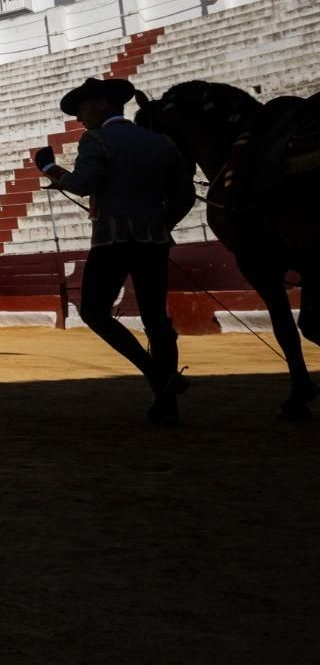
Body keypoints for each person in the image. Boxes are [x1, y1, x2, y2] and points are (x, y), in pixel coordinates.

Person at [36, 77, 196, 425]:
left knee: (94, 311)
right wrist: (160, 223)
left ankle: (156, 374)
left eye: (82, 109)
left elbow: (81, 185)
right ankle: (166, 405)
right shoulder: (160, 142)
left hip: (112, 241)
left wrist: (49, 167)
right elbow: (184, 196)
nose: (79, 118)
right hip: (153, 242)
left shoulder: (96, 139)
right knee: (157, 319)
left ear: (103, 105)